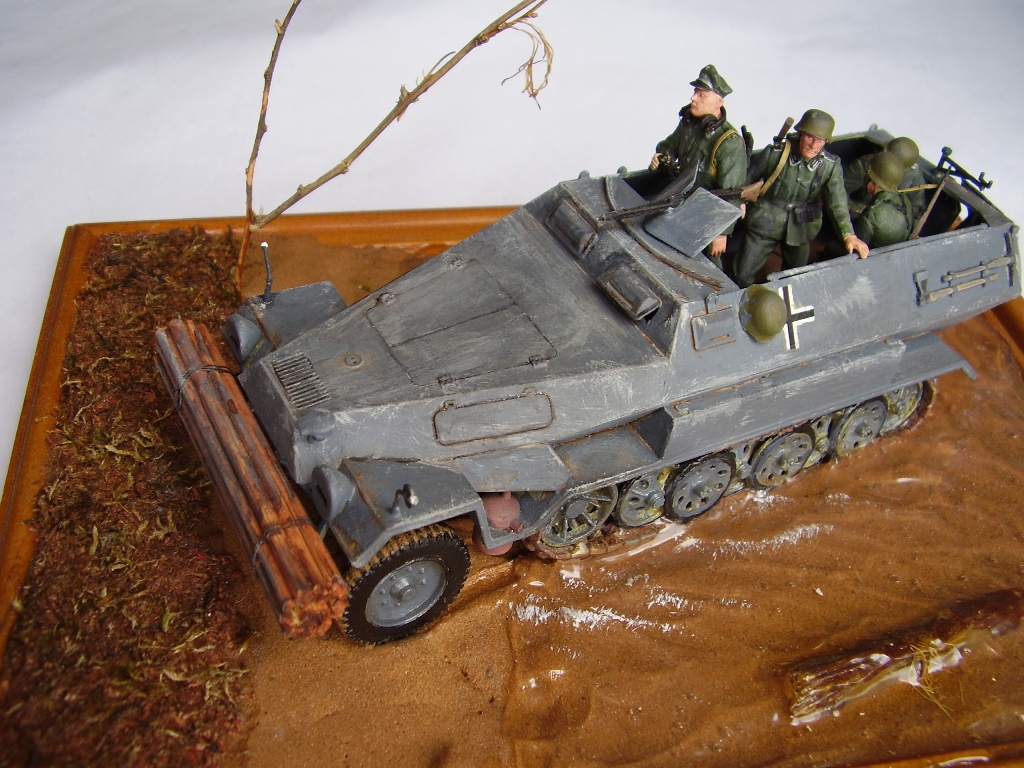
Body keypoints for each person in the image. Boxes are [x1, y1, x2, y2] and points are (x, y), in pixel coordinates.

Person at [732, 109, 869, 288]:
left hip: (802, 227)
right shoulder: (776, 153)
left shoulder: (830, 166)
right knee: (741, 273)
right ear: (801, 134)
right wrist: (740, 203)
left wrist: (848, 235)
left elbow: (837, 203)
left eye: (820, 140)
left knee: (796, 276)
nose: (813, 145)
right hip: (765, 222)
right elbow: (746, 180)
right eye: (810, 137)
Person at [649, 64, 747, 264]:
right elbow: (669, 145)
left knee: (709, 262)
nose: (693, 98)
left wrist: (722, 233)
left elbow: (732, 194)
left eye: (702, 95)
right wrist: (662, 155)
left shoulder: (729, 142)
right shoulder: (689, 124)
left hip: (707, 211)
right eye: (695, 92)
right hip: (680, 196)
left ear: (718, 102)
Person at [845, 136, 928, 217]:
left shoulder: (913, 178)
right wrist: (856, 210)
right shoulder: (865, 165)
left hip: (889, 215)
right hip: (860, 207)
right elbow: (842, 190)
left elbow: (916, 210)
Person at [853, 151, 915, 247]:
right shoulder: (905, 200)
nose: (864, 177)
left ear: (873, 182)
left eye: (867, 175)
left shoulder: (871, 214)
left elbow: (857, 247)